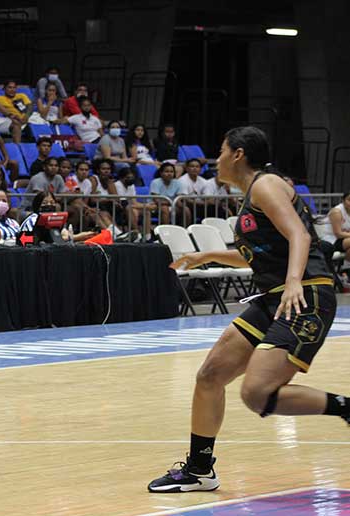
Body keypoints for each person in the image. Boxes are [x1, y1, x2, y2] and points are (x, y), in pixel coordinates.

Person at [147, 126, 343, 493]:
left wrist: (295, 281)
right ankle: (199, 470)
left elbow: (299, 235)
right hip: (274, 297)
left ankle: (345, 407)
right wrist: (208, 255)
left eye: (221, 150)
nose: (216, 159)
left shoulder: (266, 185)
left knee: (256, 394)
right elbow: (258, 254)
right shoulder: (252, 196)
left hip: (304, 296)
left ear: (238, 154)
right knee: (210, 375)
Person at [115, 168, 155, 237]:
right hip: (120, 209)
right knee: (133, 211)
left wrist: (146, 206)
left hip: (130, 207)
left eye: (132, 177)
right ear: (121, 178)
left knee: (146, 211)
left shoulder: (131, 185)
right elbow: (124, 203)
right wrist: (147, 206)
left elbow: (134, 202)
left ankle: (147, 236)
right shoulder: (117, 185)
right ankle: (136, 234)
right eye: (128, 177)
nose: (130, 179)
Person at [178, 158, 209, 223]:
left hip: (200, 205)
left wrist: (206, 202)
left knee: (215, 207)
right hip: (187, 205)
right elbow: (184, 199)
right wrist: (203, 203)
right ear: (187, 169)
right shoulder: (182, 181)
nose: (195, 168)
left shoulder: (204, 181)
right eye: (192, 166)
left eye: (197, 167)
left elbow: (207, 197)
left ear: (200, 169)